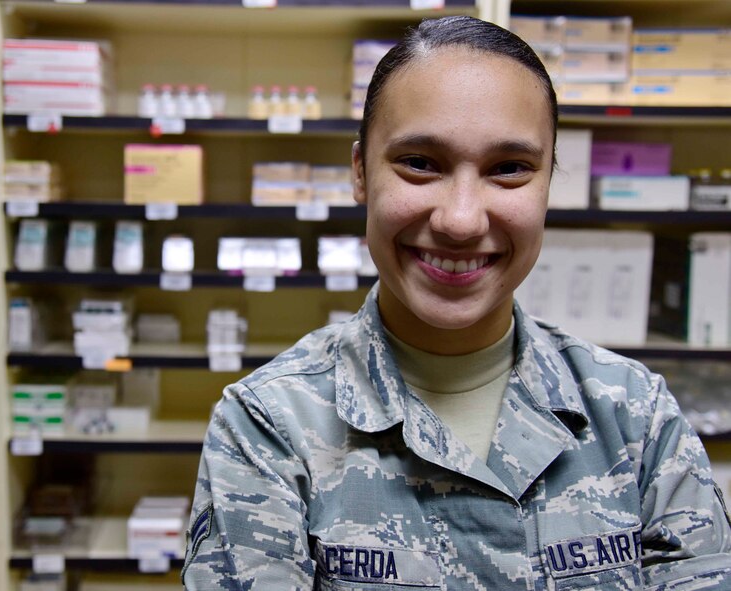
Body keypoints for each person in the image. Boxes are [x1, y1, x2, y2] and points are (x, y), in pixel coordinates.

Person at [181, 15, 731, 590]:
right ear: (361, 172)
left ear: (549, 183)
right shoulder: (268, 426)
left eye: (509, 169)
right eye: (420, 163)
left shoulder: (636, 415)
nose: (462, 221)